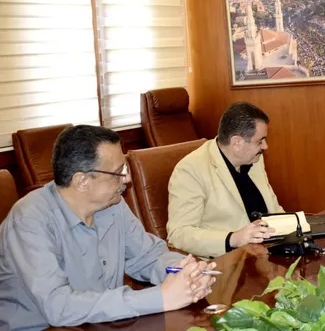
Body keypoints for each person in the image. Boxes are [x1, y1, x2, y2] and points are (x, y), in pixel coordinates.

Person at [0, 125, 217, 330]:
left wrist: (186, 273)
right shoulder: (29, 221)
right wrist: (161, 297)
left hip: (102, 323)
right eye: (118, 172)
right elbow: (59, 306)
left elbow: (148, 256)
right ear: (82, 181)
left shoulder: (111, 204)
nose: (127, 178)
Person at [167, 102, 284, 259]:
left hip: (265, 254)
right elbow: (178, 234)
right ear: (236, 143)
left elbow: (274, 209)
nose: (265, 146)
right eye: (260, 141)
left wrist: (295, 228)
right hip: (227, 262)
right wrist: (233, 239)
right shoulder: (190, 170)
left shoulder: (253, 159)